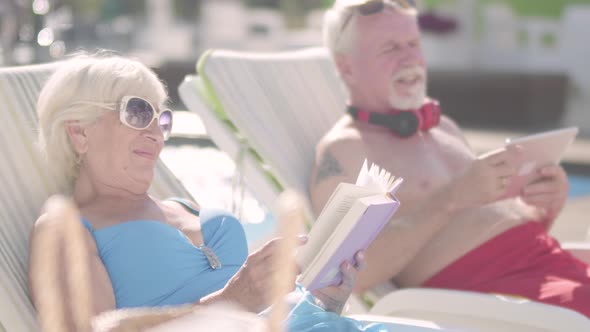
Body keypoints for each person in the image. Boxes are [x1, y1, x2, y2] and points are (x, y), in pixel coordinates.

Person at [28, 54, 388, 331]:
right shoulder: (65, 229)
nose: (155, 133)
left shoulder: (180, 205)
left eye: (161, 119)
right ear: (79, 133)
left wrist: (322, 301)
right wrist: (230, 302)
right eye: (138, 113)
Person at [310, 0, 590, 317]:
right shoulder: (347, 150)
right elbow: (346, 273)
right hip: (497, 299)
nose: (409, 58)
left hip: (545, 268)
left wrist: (541, 208)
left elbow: (484, 224)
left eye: (413, 44)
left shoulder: (442, 127)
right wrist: (452, 197)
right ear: (347, 66)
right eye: (389, 48)